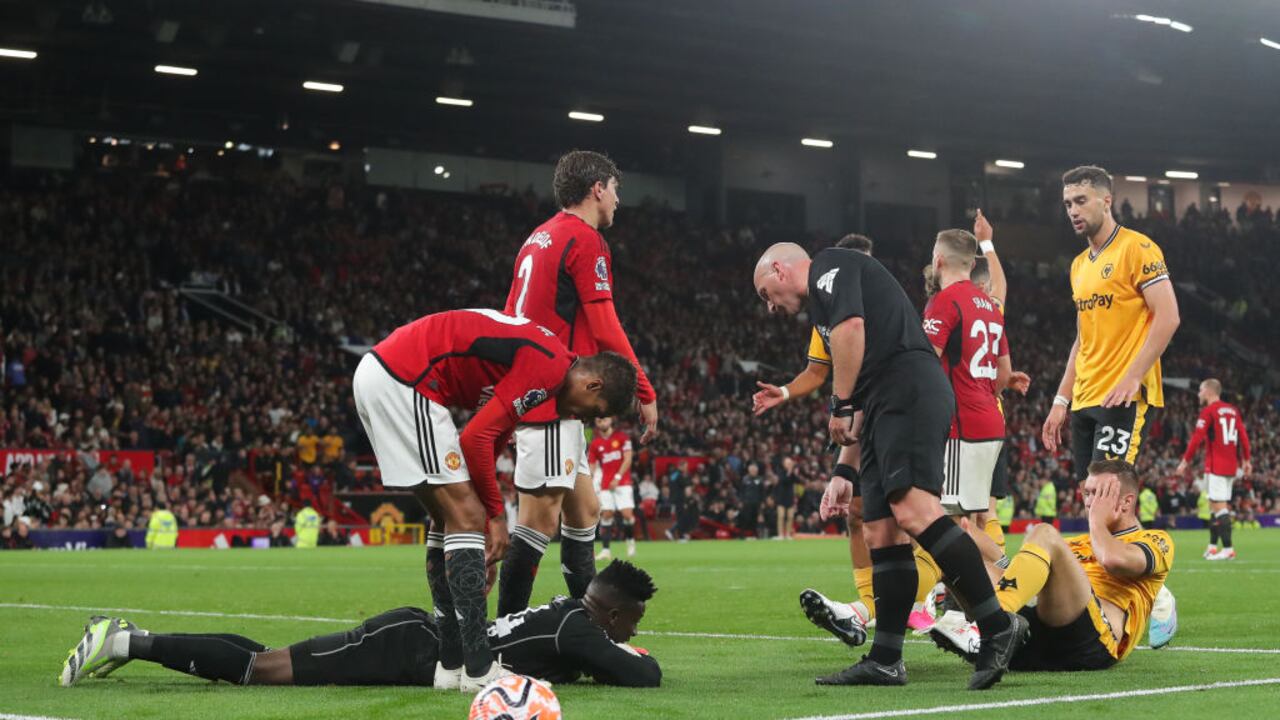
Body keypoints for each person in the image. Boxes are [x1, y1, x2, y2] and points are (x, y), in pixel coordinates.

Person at [754, 242, 1027, 690]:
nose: (770, 306)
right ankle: (885, 660)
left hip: (909, 390)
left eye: (766, 293)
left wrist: (840, 404)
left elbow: (851, 329)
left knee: (916, 511)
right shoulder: (826, 304)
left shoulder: (830, 265)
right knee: (881, 532)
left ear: (780, 270)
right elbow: (863, 378)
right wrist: (843, 471)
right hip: (884, 401)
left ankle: (997, 625)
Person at [352, 307, 637, 691]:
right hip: (406, 379)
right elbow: (474, 439)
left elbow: (493, 433)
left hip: (388, 372)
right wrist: (495, 518)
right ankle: (479, 669)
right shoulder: (550, 368)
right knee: (468, 515)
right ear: (592, 385)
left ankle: (451, 664)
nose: (582, 420)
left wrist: (479, 533)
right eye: (593, 412)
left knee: (449, 518)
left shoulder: (549, 361)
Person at [60, 560, 661, 691]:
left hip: (416, 641)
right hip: (407, 649)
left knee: (267, 657)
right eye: (632, 620)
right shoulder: (578, 630)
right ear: (611, 613)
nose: (632, 632)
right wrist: (634, 657)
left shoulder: (566, 611)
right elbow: (643, 676)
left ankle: (133, 636)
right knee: (263, 670)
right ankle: (126, 640)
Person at [499, 150, 659, 617]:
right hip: (553, 395)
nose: (618, 200)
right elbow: (606, 326)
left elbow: (510, 317)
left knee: (585, 509)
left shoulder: (538, 237)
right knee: (537, 522)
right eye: (615, 190)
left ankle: (587, 626)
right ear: (597, 188)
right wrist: (643, 389)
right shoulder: (585, 239)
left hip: (543, 393)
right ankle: (504, 632)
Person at [930, 460, 1174, 672]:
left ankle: (993, 626)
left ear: (1126, 502)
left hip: (1093, 642)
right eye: (1087, 493)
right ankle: (992, 632)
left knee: (1043, 532)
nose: (1089, 502)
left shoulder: (1154, 540)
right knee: (951, 546)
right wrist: (968, 537)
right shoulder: (1071, 544)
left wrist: (1097, 522)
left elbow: (1113, 560)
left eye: (1099, 494)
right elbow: (1016, 575)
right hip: (1038, 639)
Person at [1042, 166, 1179, 480]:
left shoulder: (1137, 248)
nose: (1073, 211)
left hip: (1121, 395)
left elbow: (1169, 316)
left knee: (1108, 492)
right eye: (1068, 204)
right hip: (1084, 397)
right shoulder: (1078, 266)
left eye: (1081, 201)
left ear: (1107, 201)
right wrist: (1061, 400)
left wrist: (1133, 377)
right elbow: (1082, 340)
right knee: (1091, 499)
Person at [1176, 378, 1251, 560]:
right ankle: (1212, 546)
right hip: (1231, 466)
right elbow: (1243, 436)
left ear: (1209, 391)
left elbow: (1197, 438)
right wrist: (1246, 460)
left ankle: (1228, 549)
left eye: (1201, 390)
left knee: (1219, 508)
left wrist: (1185, 461)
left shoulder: (1209, 411)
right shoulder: (1233, 410)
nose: (1199, 394)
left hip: (1216, 465)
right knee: (1213, 507)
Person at [589, 416, 636, 560]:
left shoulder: (622, 437)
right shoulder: (595, 443)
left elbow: (628, 459)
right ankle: (605, 550)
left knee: (627, 514)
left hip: (623, 482)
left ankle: (630, 541)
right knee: (607, 515)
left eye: (604, 420)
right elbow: (592, 465)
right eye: (599, 421)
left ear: (610, 421)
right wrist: (589, 481)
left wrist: (617, 477)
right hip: (605, 485)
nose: (602, 423)